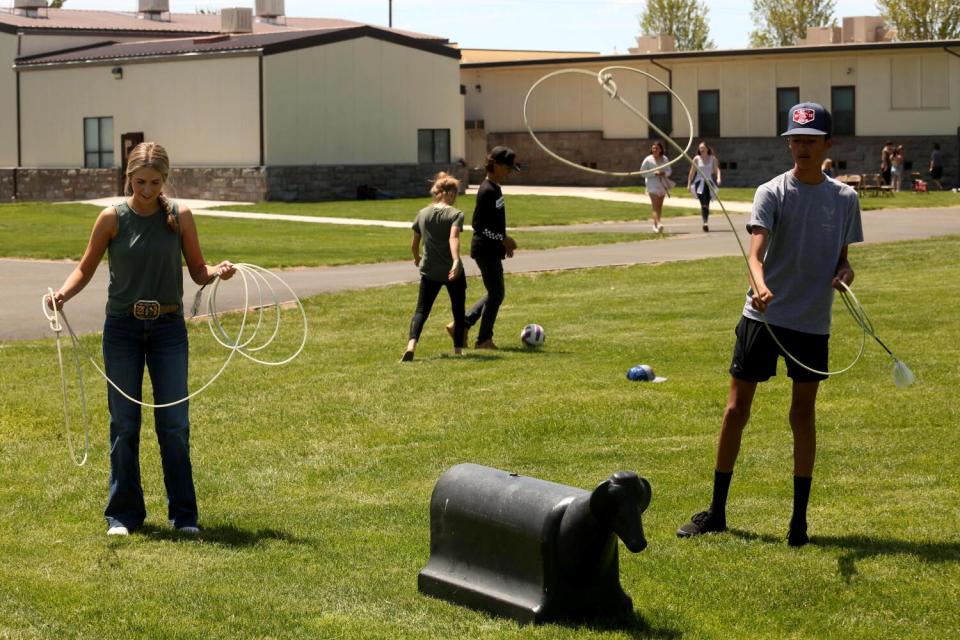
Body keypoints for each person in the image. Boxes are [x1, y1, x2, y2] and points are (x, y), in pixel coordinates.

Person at [676, 103, 863, 547]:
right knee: (735, 410)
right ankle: (717, 513)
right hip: (762, 317)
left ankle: (799, 522)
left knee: (802, 415)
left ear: (827, 145)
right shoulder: (771, 192)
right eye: (795, 140)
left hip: (811, 322)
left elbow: (844, 261)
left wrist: (845, 274)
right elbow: (754, 256)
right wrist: (758, 285)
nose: (800, 147)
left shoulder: (844, 199)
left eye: (810, 141)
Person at [47, 142, 236, 536]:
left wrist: (218, 271)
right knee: (124, 424)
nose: (147, 190)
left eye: (154, 182)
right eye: (139, 182)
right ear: (127, 178)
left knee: (174, 424)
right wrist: (62, 294)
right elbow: (85, 267)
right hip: (122, 330)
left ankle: (184, 517)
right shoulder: (111, 218)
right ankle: (123, 516)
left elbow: (198, 272)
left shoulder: (180, 216)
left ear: (165, 180)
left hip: (168, 330)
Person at [402, 172, 466, 361]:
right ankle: (458, 350)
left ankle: (411, 345)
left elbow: (414, 244)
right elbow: (453, 237)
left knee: (421, 310)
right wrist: (455, 261)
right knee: (458, 309)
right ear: (451, 193)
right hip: (451, 270)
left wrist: (416, 258)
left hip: (429, 269)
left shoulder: (422, 213)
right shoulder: (455, 214)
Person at [460, 146, 519, 350]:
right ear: (495, 165)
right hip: (484, 249)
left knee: (496, 293)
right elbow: (478, 225)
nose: (510, 172)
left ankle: (463, 324)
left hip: (491, 248)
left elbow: (494, 222)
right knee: (496, 293)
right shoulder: (487, 190)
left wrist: (502, 241)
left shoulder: (495, 188)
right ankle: (483, 340)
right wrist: (502, 239)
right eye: (508, 168)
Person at [687, 141, 722, 232]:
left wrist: (718, 178)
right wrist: (689, 184)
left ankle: (705, 222)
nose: (701, 149)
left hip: (709, 182)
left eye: (703, 148)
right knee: (703, 202)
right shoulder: (696, 159)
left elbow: (716, 170)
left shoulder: (712, 159)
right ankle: (705, 222)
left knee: (707, 203)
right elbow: (692, 172)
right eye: (700, 148)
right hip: (699, 183)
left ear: (707, 149)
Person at [641, 141, 672, 233]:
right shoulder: (648, 159)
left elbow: (669, 171)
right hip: (651, 185)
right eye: (653, 148)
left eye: (657, 148)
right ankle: (658, 223)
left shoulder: (665, 159)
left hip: (662, 185)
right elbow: (642, 173)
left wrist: (663, 173)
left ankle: (655, 226)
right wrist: (654, 173)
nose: (654, 150)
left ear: (660, 150)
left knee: (659, 206)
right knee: (655, 205)